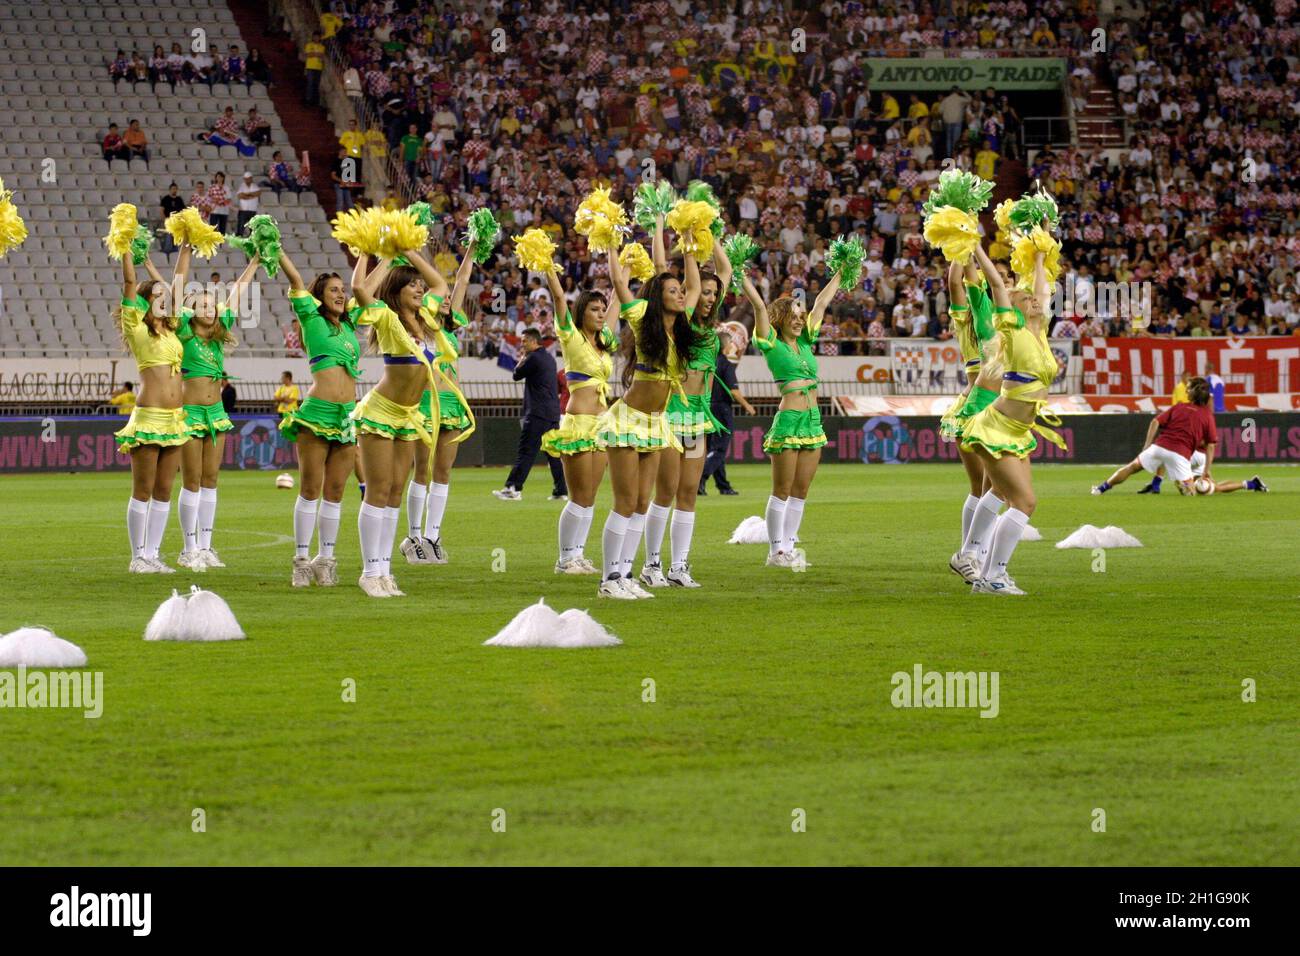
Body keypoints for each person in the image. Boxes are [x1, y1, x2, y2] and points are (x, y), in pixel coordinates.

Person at [958, 236, 1066, 595]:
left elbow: (1043, 287)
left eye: (1034, 297)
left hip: (1020, 430)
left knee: (1011, 499)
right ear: (1013, 308)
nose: (1033, 299)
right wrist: (974, 247)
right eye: (1024, 298)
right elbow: (993, 282)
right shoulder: (1011, 327)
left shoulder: (1041, 333)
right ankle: (991, 573)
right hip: (996, 426)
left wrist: (1039, 251)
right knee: (1024, 502)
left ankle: (983, 571)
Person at [593, 246, 700, 599]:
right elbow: (619, 283)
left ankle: (625, 575)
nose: (681, 294)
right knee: (625, 502)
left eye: (681, 290)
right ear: (658, 297)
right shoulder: (642, 319)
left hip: (656, 424)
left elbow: (695, 289)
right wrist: (611, 244)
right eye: (673, 290)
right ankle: (609, 580)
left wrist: (688, 245)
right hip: (629, 421)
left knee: (642, 502)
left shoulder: (677, 332)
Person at [640, 219, 735, 589]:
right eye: (706, 293)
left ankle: (679, 567)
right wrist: (688, 243)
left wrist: (710, 235)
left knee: (688, 493)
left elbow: (725, 270)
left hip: (698, 416)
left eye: (714, 294)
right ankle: (651, 565)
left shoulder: (712, 327)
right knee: (664, 492)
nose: (709, 298)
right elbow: (677, 279)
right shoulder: (681, 321)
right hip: (672, 412)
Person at [347, 250, 447, 598]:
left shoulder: (427, 319)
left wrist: (410, 251)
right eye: (411, 287)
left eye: (419, 286)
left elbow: (440, 283)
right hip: (381, 411)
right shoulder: (388, 318)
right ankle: (369, 571)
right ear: (397, 291)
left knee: (394, 493)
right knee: (377, 491)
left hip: (409, 416)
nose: (420, 290)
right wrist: (383, 256)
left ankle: (385, 571)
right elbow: (359, 287)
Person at [740, 266, 844, 570]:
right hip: (789, 420)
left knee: (801, 490)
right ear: (780, 320)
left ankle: (788, 544)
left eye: (801, 316)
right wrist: (738, 273)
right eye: (794, 317)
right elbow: (759, 305)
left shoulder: (807, 342)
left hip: (813, 420)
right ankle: (775, 552)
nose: (800, 320)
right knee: (782, 490)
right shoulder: (771, 344)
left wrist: (842, 271)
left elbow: (821, 302)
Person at [278, 251, 362, 588]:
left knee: (336, 490)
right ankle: (300, 560)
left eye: (343, 290)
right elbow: (296, 281)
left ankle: (325, 559)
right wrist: (278, 249)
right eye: (334, 291)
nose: (341, 295)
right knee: (311, 488)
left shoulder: (350, 324)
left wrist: (380, 250)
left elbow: (365, 286)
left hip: (346, 416)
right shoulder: (311, 320)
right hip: (317, 414)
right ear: (319, 297)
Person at [175, 256, 260, 571]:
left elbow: (237, 293)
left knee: (211, 479)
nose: (211, 310)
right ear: (191, 310)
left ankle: (207, 546)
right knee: (192, 480)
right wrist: (185, 251)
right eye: (204, 305)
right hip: (190, 412)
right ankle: (189, 548)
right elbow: (177, 289)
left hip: (216, 412)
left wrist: (253, 263)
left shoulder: (217, 338)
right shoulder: (183, 333)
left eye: (213, 305)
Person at [538, 242, 619, 573]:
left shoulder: (605, 344)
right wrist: (546, 264)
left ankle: (578, 554)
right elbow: (559, 299)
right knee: (578, 495)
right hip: (578, 423)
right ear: (581, 312)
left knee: (591, 495)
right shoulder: (571, 339)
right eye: (594, 309)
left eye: (602, 310)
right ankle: (565, 558)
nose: (601, 314)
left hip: (602, 425)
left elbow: (617, 302)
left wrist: (620, 257)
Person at [112, 242, 191, 573]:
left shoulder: (174, 330)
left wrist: (186, 247)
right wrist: (125, 246)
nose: (165, 298)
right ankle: (137, 556)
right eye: (157, 295)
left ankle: (154, 555)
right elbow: (130, 283)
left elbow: (180, 285)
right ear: (146, 301)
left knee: (163, 490)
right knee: (142, 490)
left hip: (175, 419)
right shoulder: (137, 328)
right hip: (149, 417)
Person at [400, 241, 478, 565]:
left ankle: (433, 536)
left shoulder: (452, 325)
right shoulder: (422, 322)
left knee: (443, 472)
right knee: (421, 470)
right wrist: (407, 250)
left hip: (452, 403)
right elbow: (444, 286)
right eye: (442, 298)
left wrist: (473, 246)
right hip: (425, 401)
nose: (447, 300)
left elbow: (460, 281)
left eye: (449, 299)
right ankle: (413, 535)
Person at [941, 256, 1001, 583]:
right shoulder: (968, 319)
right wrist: (960, 249)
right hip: (978, 402)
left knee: (987, 488)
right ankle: (971, 555)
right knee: (987, 488)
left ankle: (973, 557)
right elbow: (954, 283)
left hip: (993, 403)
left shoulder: (1004, 320)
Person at [1092, 377, 1219, 497]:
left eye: (1188, 388)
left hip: (1159, 447)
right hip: (1180, 454)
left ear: (1193, 392)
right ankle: (1183, 484)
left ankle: (1100, 489)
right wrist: (1206, 471)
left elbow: (1155, 422)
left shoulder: (1179, 406)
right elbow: (1211, 445)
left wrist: (1147, 446)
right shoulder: (1207, 415)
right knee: (1192, 493)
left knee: (1130, 467)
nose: (1186, 390)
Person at [495, 328, 566, 500]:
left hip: (537, 413)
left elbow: (516, 375)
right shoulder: (549, 358)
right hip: (552, 413)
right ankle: (561, 491)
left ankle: (513, 488)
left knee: (526, 451)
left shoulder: (532, 357)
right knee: (553, 454)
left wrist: (521, 360)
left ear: (534, 341)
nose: (521, 344)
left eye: (524, 340)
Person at [700, 339, 755, 495]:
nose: (732, 345)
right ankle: (700, 477)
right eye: (730, 342)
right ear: (725, 346)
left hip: (708, 408)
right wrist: (747, 406)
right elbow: (733, 391)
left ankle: (723, 486)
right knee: (719, 449)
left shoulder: (708, 363)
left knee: (714, 449)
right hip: (721, 409)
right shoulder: (725, 364)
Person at [302, 32, 324, 106]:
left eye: (317, 37)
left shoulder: (322, 46)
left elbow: (322, 56)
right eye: (315, 37)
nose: (316, 38)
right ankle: (308, 99)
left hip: (318, 67)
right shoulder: (309, 45)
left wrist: (314, 54)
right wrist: (316, 54)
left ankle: (315, 100)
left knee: (316, 84)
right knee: (310, 83)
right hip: (310, 67)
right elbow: (308, 54)